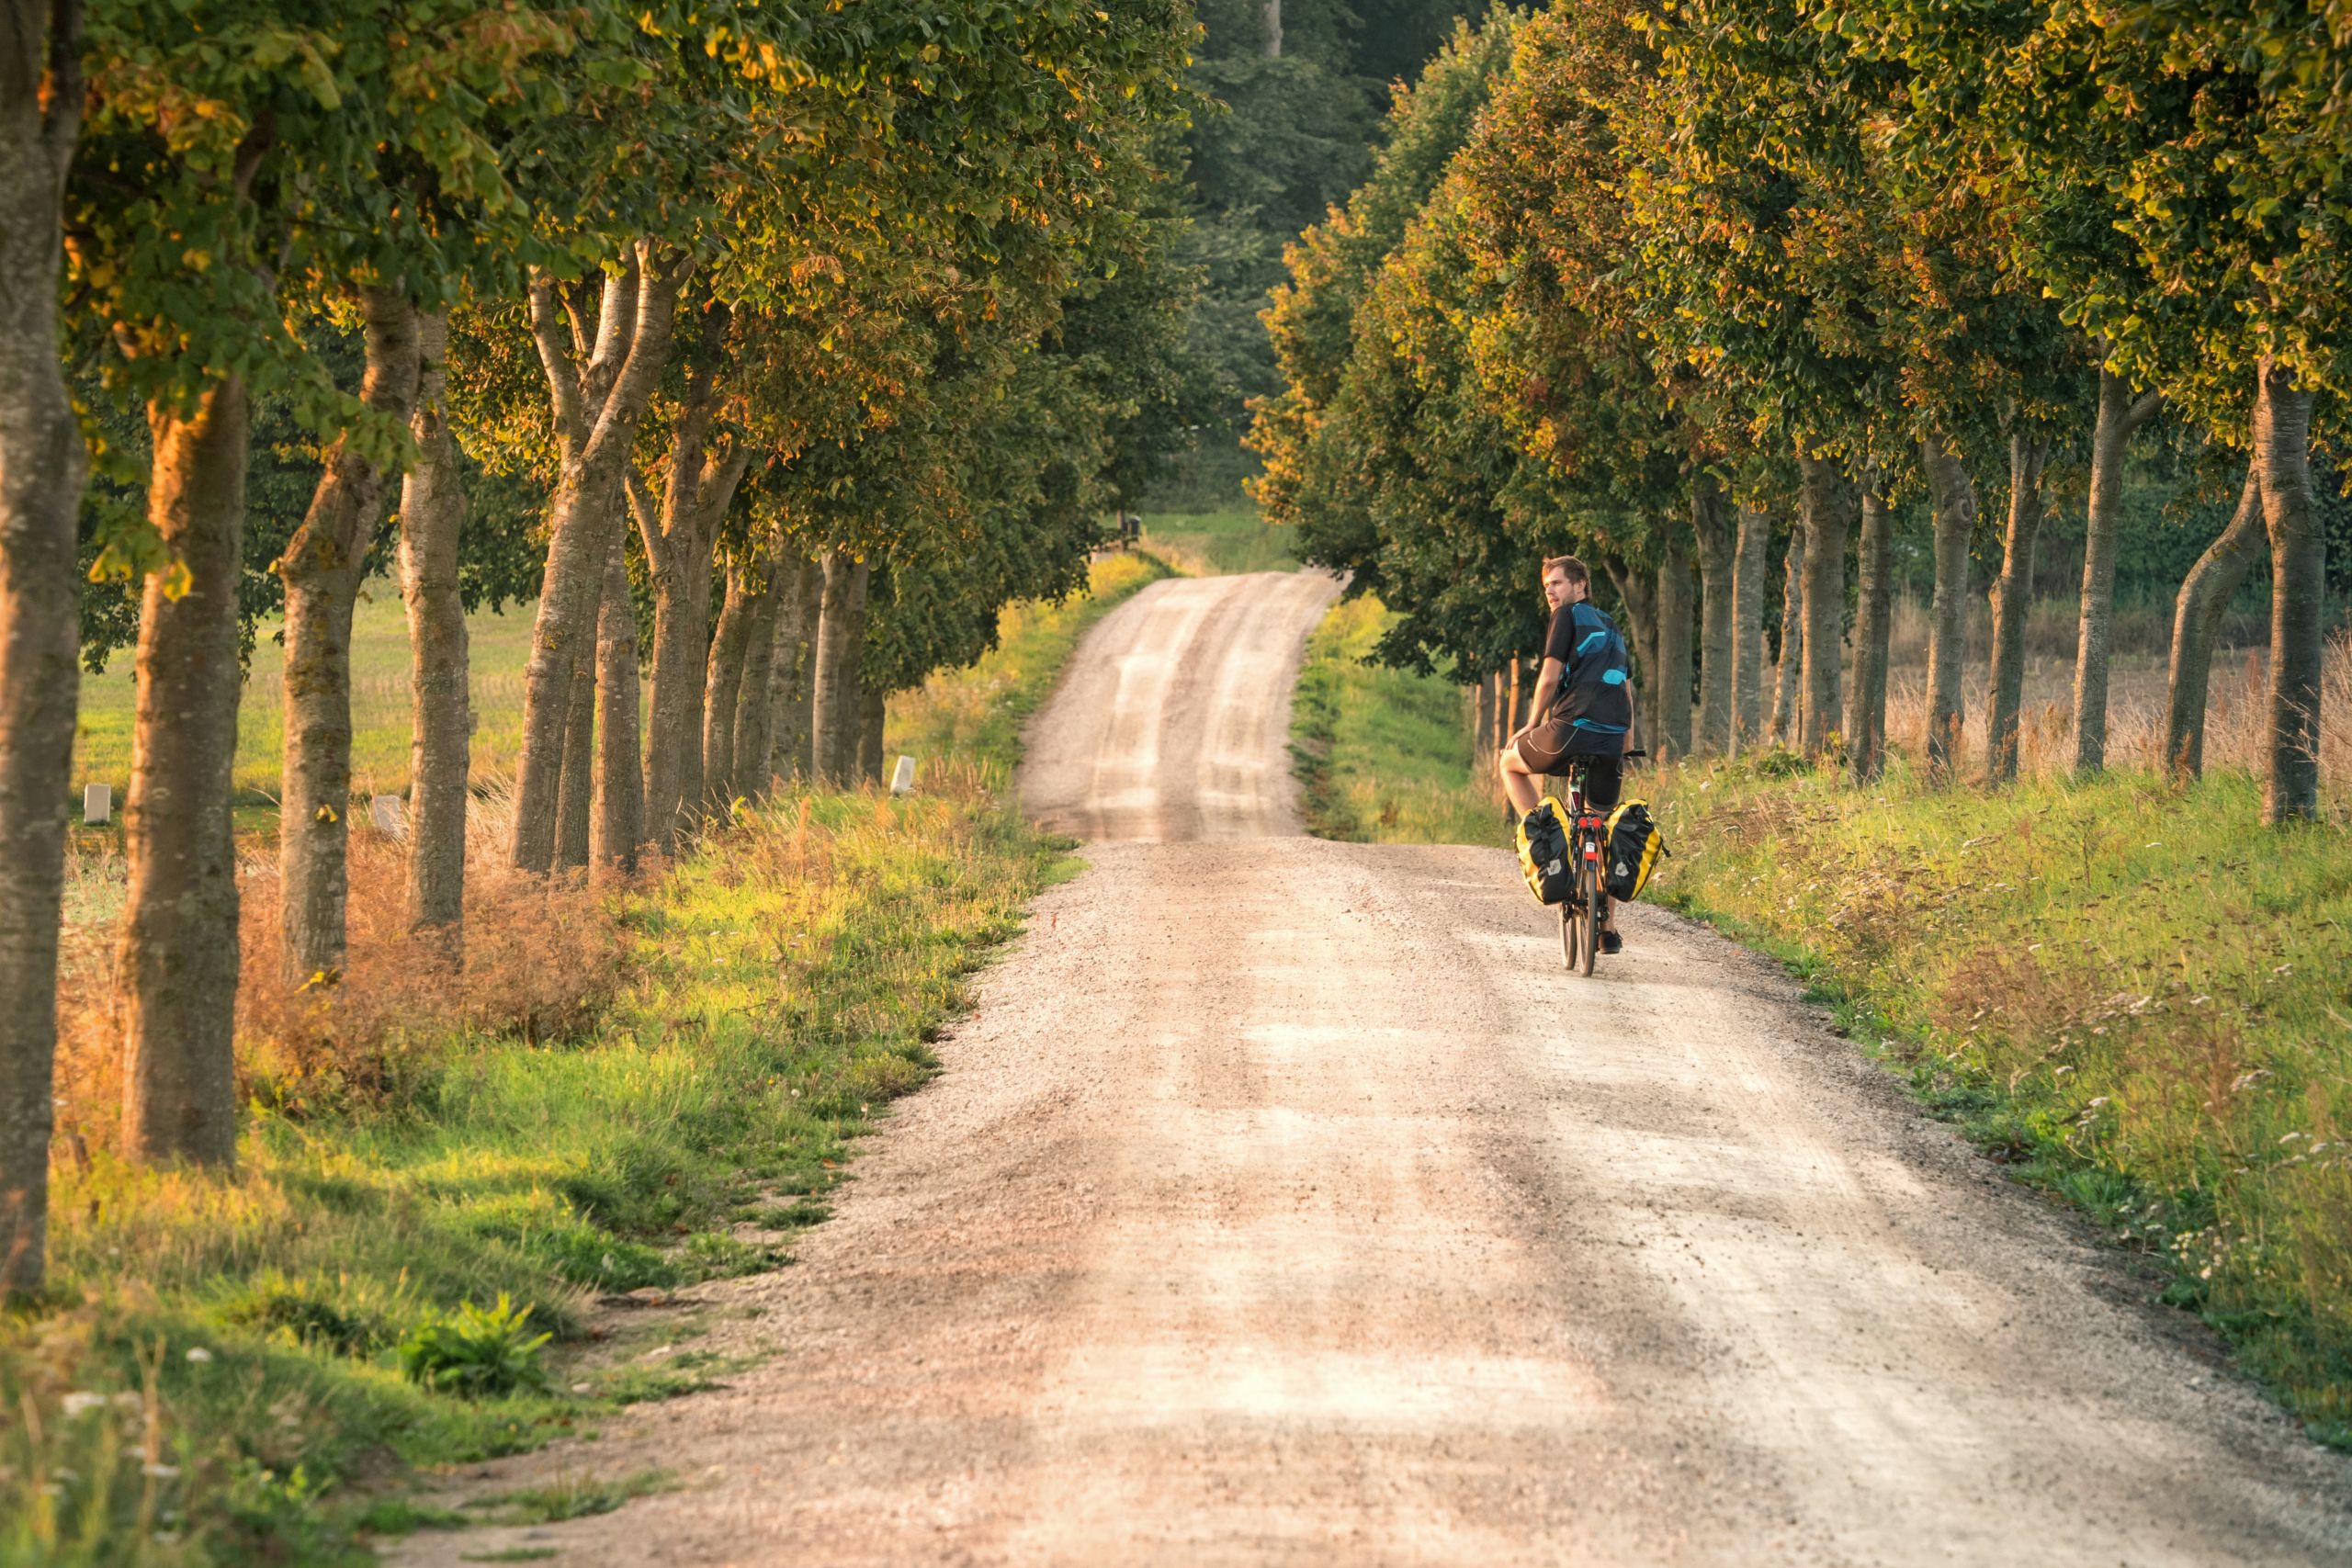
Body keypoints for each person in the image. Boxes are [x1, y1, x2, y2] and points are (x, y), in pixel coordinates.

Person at [1498, 554, 1635, 951]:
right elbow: (1625, 691)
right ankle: (1606, 930)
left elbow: (1551, 676)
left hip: (1568, 732)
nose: (1551, 594)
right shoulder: (1612, 625)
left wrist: (1529, 723)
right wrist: (1625, 745)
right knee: (1603, 829)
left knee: (1509, 763)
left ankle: (1547, 835)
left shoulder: (1567, 617)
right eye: (1547, 588)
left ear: (1580, 585)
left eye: (1557, 584)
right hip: (1610, 739)